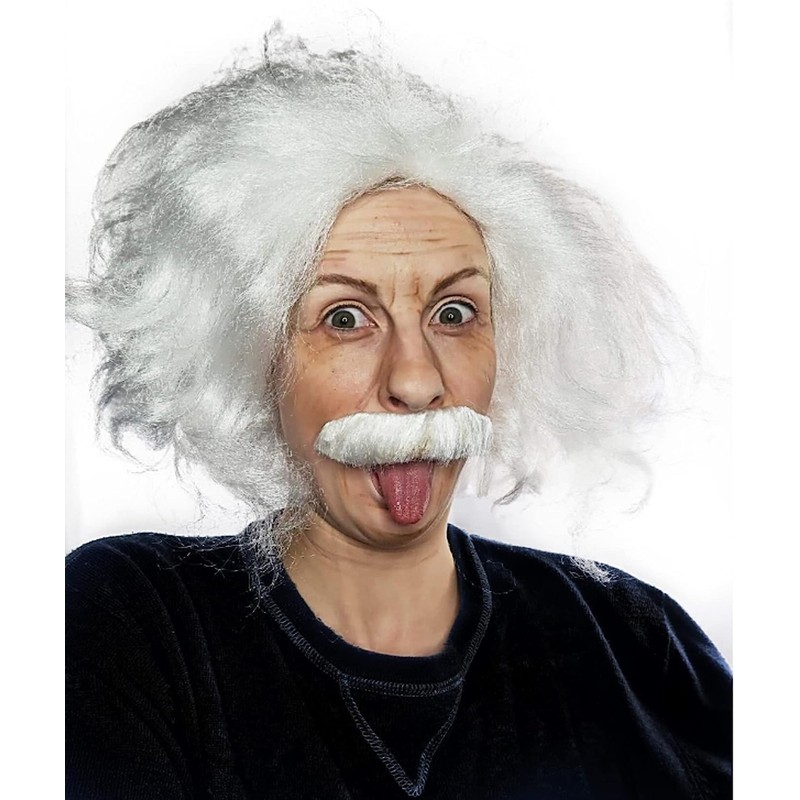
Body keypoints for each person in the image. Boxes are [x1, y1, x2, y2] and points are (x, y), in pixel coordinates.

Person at [66, 30, 732, 799]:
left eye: (455, 313)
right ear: (251, 356)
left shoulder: (630, 637)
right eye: (345, 318)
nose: (416, 381)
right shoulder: (128, 622)